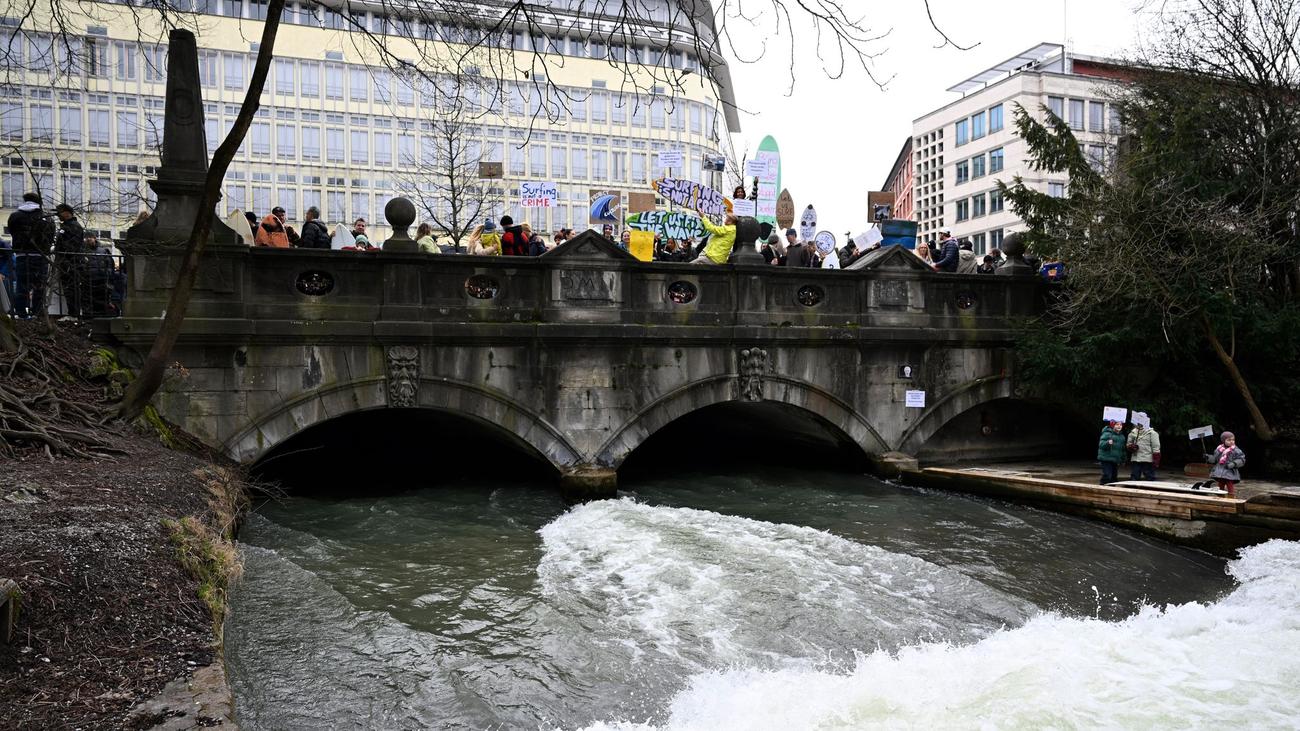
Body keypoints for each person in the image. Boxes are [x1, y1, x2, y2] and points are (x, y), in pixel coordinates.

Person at [7, 192, 52, 318]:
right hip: (40, 254)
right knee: (40, 286)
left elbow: (12, 231)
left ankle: (21, 313)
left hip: (22, 254)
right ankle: (37, 313)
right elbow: (50, 233)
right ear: (39, 202)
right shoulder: (45, 216)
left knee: (22, 285)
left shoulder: (15, 216)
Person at [53, 204, 87, 318]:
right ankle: (73, 313)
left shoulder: (73, 226)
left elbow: (71, 246)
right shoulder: (67, 226)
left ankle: (74, 314)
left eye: (60, 212)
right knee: (69, 289)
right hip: (67, 263)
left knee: (72, 289)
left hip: (71, 263)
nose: (58, 215)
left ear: (67, 213)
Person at [1208, 432, 1246, 496]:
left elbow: (1242, 459)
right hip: (1220, 470)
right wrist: (1209, 457)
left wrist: (1234, 464)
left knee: (1229, 483)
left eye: (1233, 440)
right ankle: (1220, 496)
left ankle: (1231, 496)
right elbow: (1215, 459)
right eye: (1229, 440)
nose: (1231, 441)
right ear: (1223, 441)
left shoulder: (1236, 450)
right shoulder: (1219, 449)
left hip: (1230, 470)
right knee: (1221, 483)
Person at [1096, 420, 1127, 485]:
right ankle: (1103, 488)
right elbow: (1101, 445)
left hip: (1115, 459)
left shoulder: (1122, 437)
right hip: (1106, 458)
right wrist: (1107, 443)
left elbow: (1123, 449)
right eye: (1117, 424)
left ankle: (1112, 489)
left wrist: (1123, 459)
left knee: (1114, 477)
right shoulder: (1107, 433)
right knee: (1107, 475)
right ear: (1113, 425)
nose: (1119, 426)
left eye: (1120, 425)